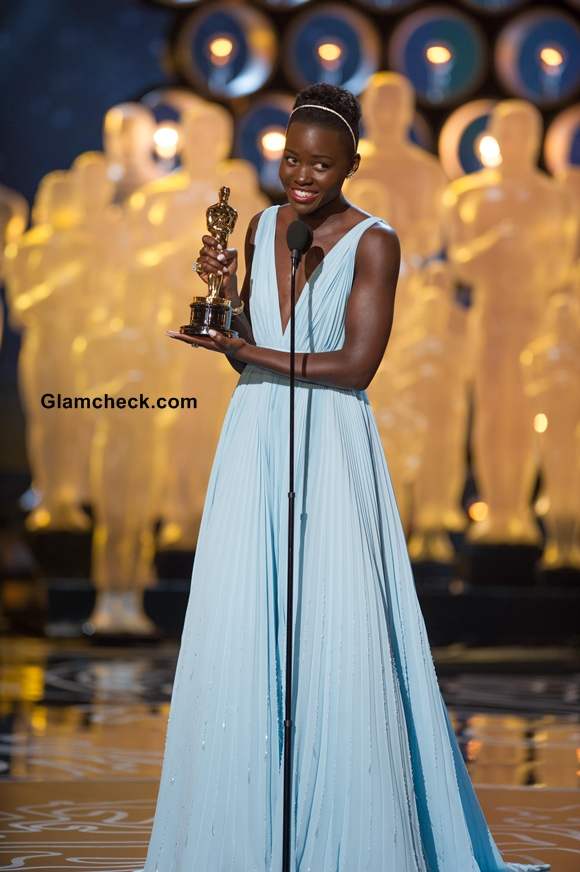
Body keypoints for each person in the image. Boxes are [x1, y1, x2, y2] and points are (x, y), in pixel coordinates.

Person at [140, 84, 550, 872]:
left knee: (337, 621)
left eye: (320, 165)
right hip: (256, 435)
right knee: (249, 617)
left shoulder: (377, 242)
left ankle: (349, 831)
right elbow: (247, 342)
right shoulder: (260, 227)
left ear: (351, 166)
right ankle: (244, 834)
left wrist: (251, 353)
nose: (301, 175)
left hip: (332, 442)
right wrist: (224, 298)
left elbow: (356, 365)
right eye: (291, 157)